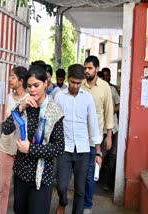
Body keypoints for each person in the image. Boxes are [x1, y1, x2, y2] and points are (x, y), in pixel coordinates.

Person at [2, 65, 64, 214]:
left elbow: (59, 147)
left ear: (45, 83)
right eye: (29, 86)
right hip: (22, 172)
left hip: (41, 178)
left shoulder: (54, 112)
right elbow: (6, 128)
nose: (32, 90)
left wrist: (30, 149)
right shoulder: (24, 106)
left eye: (36, 85)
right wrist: (21, 106)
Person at [54, 64, 101, 214]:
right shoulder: (59, 96)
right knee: (61, 185)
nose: (75, 86)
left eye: (78, 83)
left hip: (83, 149)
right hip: (64, 148)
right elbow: (54, 121)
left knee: (80, 189)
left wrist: (98, 152)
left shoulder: (87, 98)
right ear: (68, 79)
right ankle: (62, 202)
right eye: (73, 82)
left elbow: (93, 124)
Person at [81, 56, 114, 214]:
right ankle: (78, 203)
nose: (86, 71)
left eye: (89, 68)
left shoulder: (105, 87)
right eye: (85, 68)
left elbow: (108, 112)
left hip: (95, 140)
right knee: (79, 174)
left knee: (89, 175)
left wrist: (109, 135)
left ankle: (87, 205)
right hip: (79, 138)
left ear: (97, 69)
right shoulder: (80, 84)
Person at [0, 66, 29, 214]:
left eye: (13, 77)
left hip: (23, 147)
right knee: (3, 186)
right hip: (7, 145)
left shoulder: (30, 99)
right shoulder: (9, 97)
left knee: (21, 185)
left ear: (21, 81)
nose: (10, 79)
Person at [100, 67, 120, 191]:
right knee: (101, 154)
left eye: (108, 76)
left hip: (114, 129)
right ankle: (95, 178)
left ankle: (107, 183)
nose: (106, 78)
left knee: (112, 156)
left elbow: (119, 104)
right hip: (100, 130)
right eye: (104, 76)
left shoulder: (113, 90)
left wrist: (110, 111)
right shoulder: (96, 90)